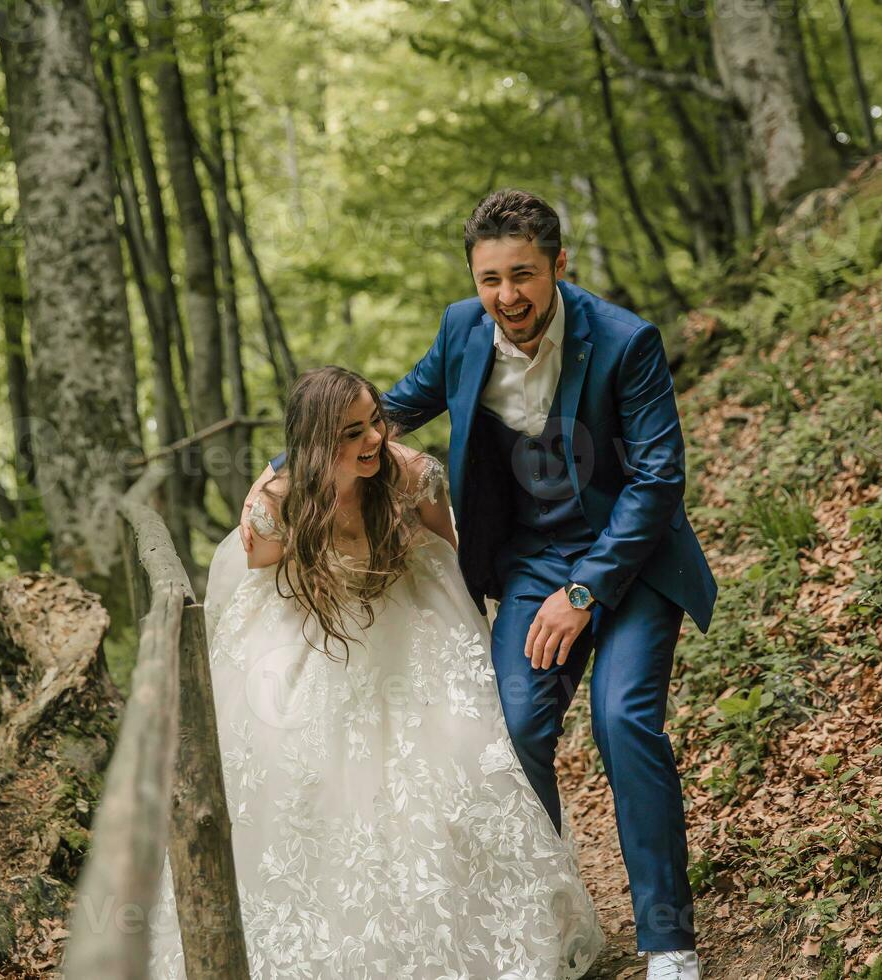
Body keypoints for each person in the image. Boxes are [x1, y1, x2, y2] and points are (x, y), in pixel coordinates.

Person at [242, 190, 717, 980]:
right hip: (531, 560)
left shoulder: (626, 341)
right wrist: (290, 466)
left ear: (559, 267)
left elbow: (658, 479)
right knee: (517, 730)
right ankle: (549, 919)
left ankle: (668, 942)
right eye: (490, 278)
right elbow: (387, 409)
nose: (507, 296)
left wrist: (587, 590)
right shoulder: (463, 329)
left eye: (523, 275)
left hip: (626, 559)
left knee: (622, 720)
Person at [146, 366, 604, 979]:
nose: (372, 441)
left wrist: (473, 633)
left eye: (375, 424)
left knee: (456, 760)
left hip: (409, 620)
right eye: (351, 432)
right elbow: (253, 568)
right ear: (314, 442)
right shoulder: (279, 504)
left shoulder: (411, 473)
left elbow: (451, 550)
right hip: (317, 631)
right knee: (304, 769)